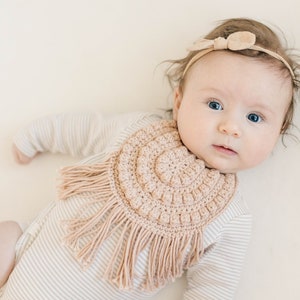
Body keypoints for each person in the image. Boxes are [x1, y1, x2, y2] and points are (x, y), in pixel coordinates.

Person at [0, 17, 298, 299]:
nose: (231, 127)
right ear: (179, 102)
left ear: (278, 132)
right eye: (215, 104)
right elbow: (86, 130)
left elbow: (214, 286)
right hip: (26, 254)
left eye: (255, 117)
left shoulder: (230, 218)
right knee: (6, 232)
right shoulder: (140, 130)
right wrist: (36, 135)